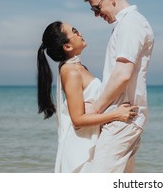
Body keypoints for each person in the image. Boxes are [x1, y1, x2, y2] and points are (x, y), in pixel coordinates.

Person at [37, 21, 138, 173]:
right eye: (75, 31)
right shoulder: (70, 71)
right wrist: (116, 115)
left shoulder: (78, 67)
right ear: (67, 46)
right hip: (80, 150)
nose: (80, 33)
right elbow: (77, 120)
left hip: (88, 142)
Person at [82, 0, 154, 172]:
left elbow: (123, 74)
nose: (97, 15)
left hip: (122, 119)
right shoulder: (127, 24)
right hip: (121, 117)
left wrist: (96, 109)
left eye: (97, 7)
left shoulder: (130, 24)